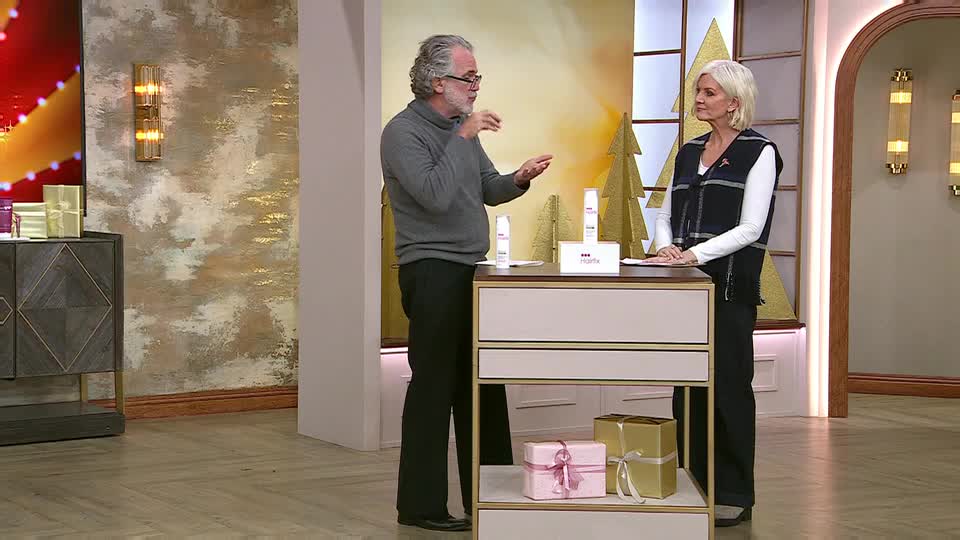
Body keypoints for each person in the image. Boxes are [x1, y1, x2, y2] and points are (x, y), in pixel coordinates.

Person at [380, 34, 552, 532]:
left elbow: (486, 190)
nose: (476, 86)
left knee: (483, 385)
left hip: (472, 272)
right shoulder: (402, 133)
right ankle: (420, 507)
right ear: (439, 82)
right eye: (468, 77)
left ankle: (489, 498)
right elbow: (433, 195)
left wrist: (520, 177)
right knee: (434, 389)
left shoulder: (461, 129)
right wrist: (463, 136)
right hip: (431, 272)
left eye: (477, 78)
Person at [646, 59, 782, 528]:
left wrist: (694, 255)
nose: (698, 100)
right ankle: (693, 480)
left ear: (735, 102)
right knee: (686, 389)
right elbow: (666, 211)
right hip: (684, 291)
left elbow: (751, 227)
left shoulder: (759, 151)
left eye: (708, 93)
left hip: (727, 288)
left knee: (728, 387)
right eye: (698, 92)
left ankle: (734, 491)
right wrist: (666, 246)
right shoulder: (689, 151)